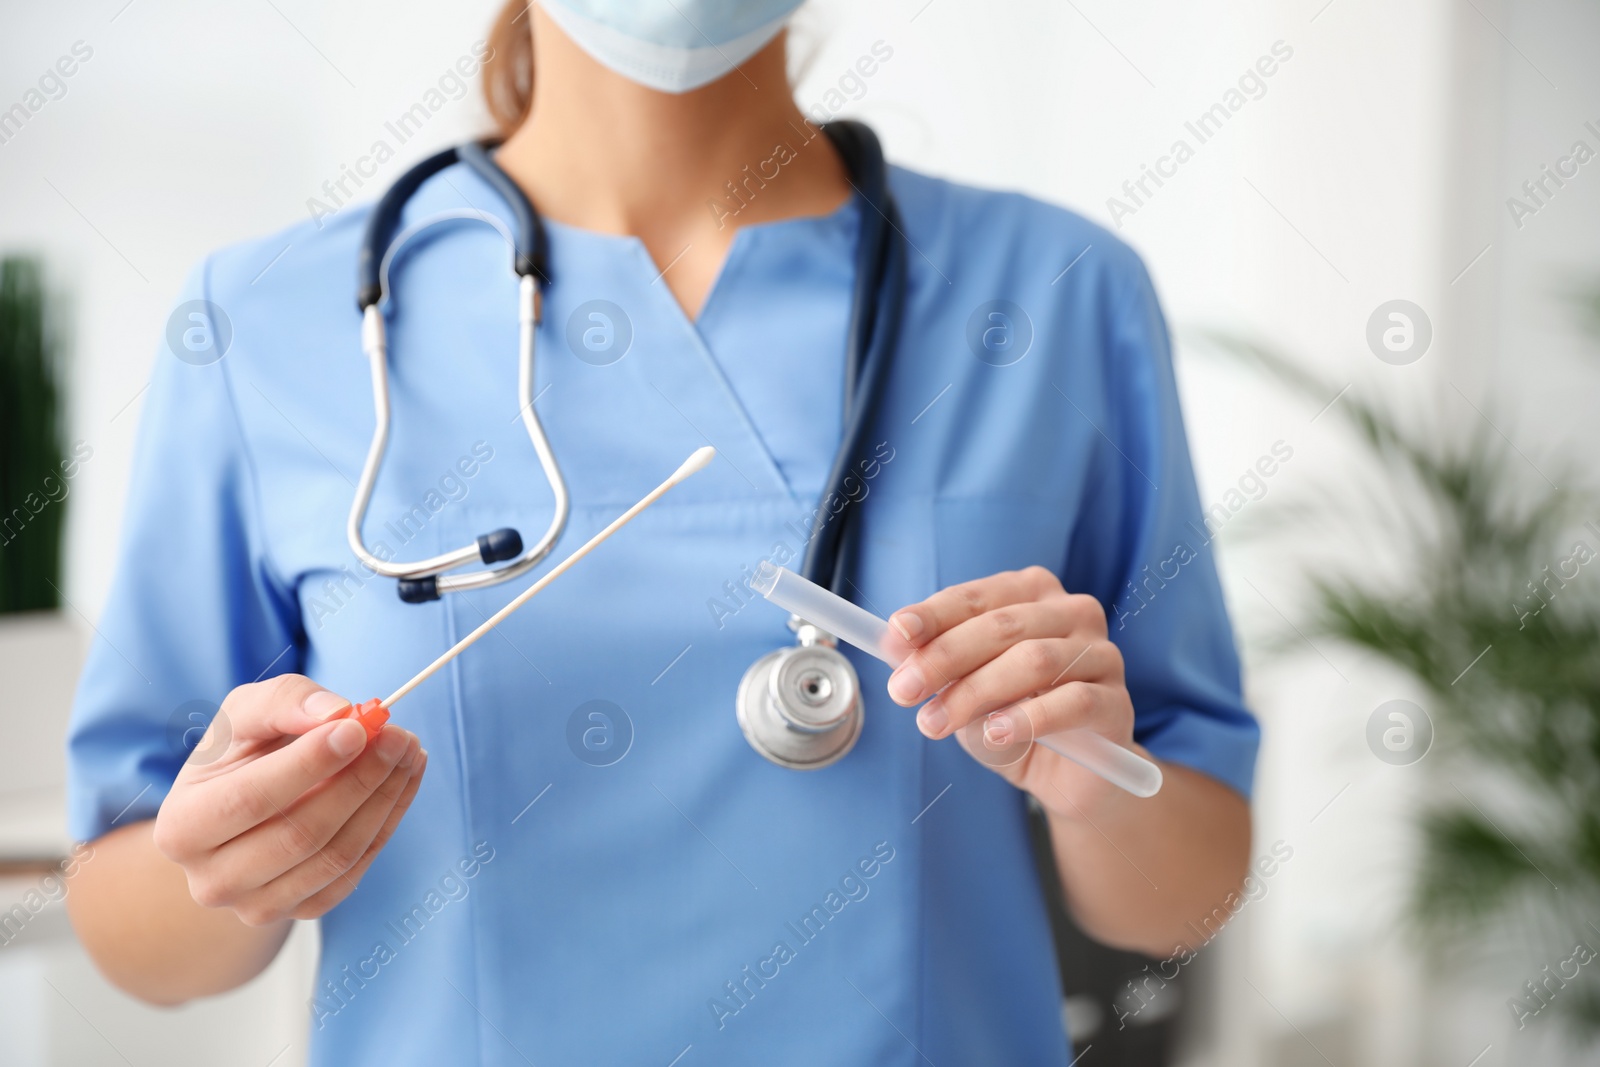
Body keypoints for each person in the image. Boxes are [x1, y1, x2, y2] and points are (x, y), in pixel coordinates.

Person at [64, 2, 1258, 1063]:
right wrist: (228, 866)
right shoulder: (265, 320)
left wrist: (1093, 781)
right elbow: (129, 919)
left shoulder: (1056, 292)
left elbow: (1185, 894)